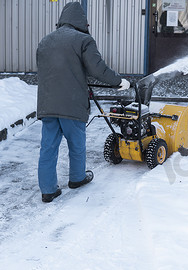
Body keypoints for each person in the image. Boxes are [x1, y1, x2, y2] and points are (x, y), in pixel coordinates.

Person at [36, 2, 130, 203]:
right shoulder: (83, 40)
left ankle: (48, 190)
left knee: (48, 147)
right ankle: (77, 178)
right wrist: (118, 81)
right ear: (82, 21)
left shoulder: (45, 41)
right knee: (76, 144)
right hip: (72, 103)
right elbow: (98, 69)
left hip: (48, 105)